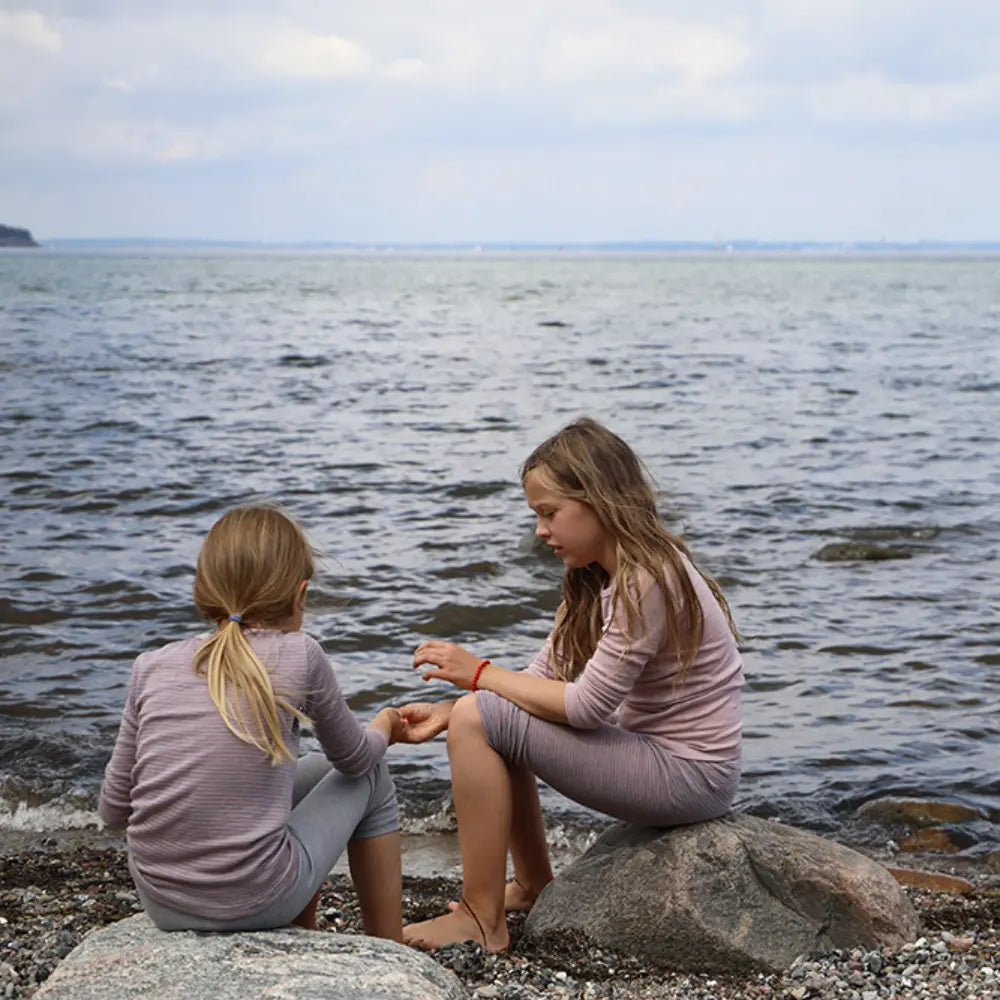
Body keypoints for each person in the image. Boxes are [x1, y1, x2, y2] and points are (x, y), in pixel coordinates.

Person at [398, 417, 744, 952]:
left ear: (600, 501)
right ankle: (533, 885)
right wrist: (457, 703)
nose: (540, 531)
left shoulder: (646, 577)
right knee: (483, 717)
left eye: (549, 513)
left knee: (483, 717)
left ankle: (481, 918)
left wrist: (480, 678)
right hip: (667, 763)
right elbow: (539, 680)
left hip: (690, 775)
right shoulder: (603, 576)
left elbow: (586, 707)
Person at [98, 505, 407, 938]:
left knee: (304, 775)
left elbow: (113, 810)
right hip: (259, 899)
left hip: (161, 903)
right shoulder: (300, 653)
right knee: (373, 774)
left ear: (205, 589)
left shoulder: (150, 666)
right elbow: (355, 760)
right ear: (299, 594)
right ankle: (388, 945)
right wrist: (386, 725)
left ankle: (303, 926)